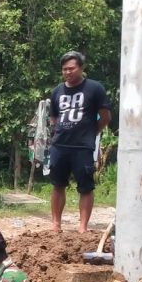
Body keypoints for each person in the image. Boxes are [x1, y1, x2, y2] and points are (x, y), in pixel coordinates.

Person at [48, 50, 111, 233]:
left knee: (85, 187)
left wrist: (92, 131)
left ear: (81, 68)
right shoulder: (57, 91)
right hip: (60, 145)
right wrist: (61, 130)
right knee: (57, 184)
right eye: (65, 69)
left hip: (83, 146)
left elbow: (106, 115)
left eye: (72, 68)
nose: (68, 72)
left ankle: (82, 227)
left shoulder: (94, 88)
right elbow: (54, 117)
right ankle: (56, 225)